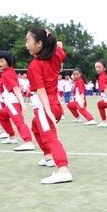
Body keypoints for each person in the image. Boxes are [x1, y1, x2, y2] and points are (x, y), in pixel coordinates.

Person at [25, 28, 72, 184]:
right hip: (54, 104)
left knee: (50, 137)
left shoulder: (35, 65)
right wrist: (49, 36)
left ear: (39, 44)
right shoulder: (57, 55)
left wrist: (48, 112)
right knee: (35, 127)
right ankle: (48, 156)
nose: (26, 45)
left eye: (28, 41)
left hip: (46, 106)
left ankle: (63, 169)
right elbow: (59, 45)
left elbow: (41, 91)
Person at [0, 51, 35, 151]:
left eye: (2, 61)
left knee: (19, 122)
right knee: (0, 114)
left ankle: (28, 142)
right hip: (9, 104)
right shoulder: (7, 72)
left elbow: (16, 88)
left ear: (8, 61)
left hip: (13, 103)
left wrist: (23, 104)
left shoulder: (6, 74)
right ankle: (12, 137)